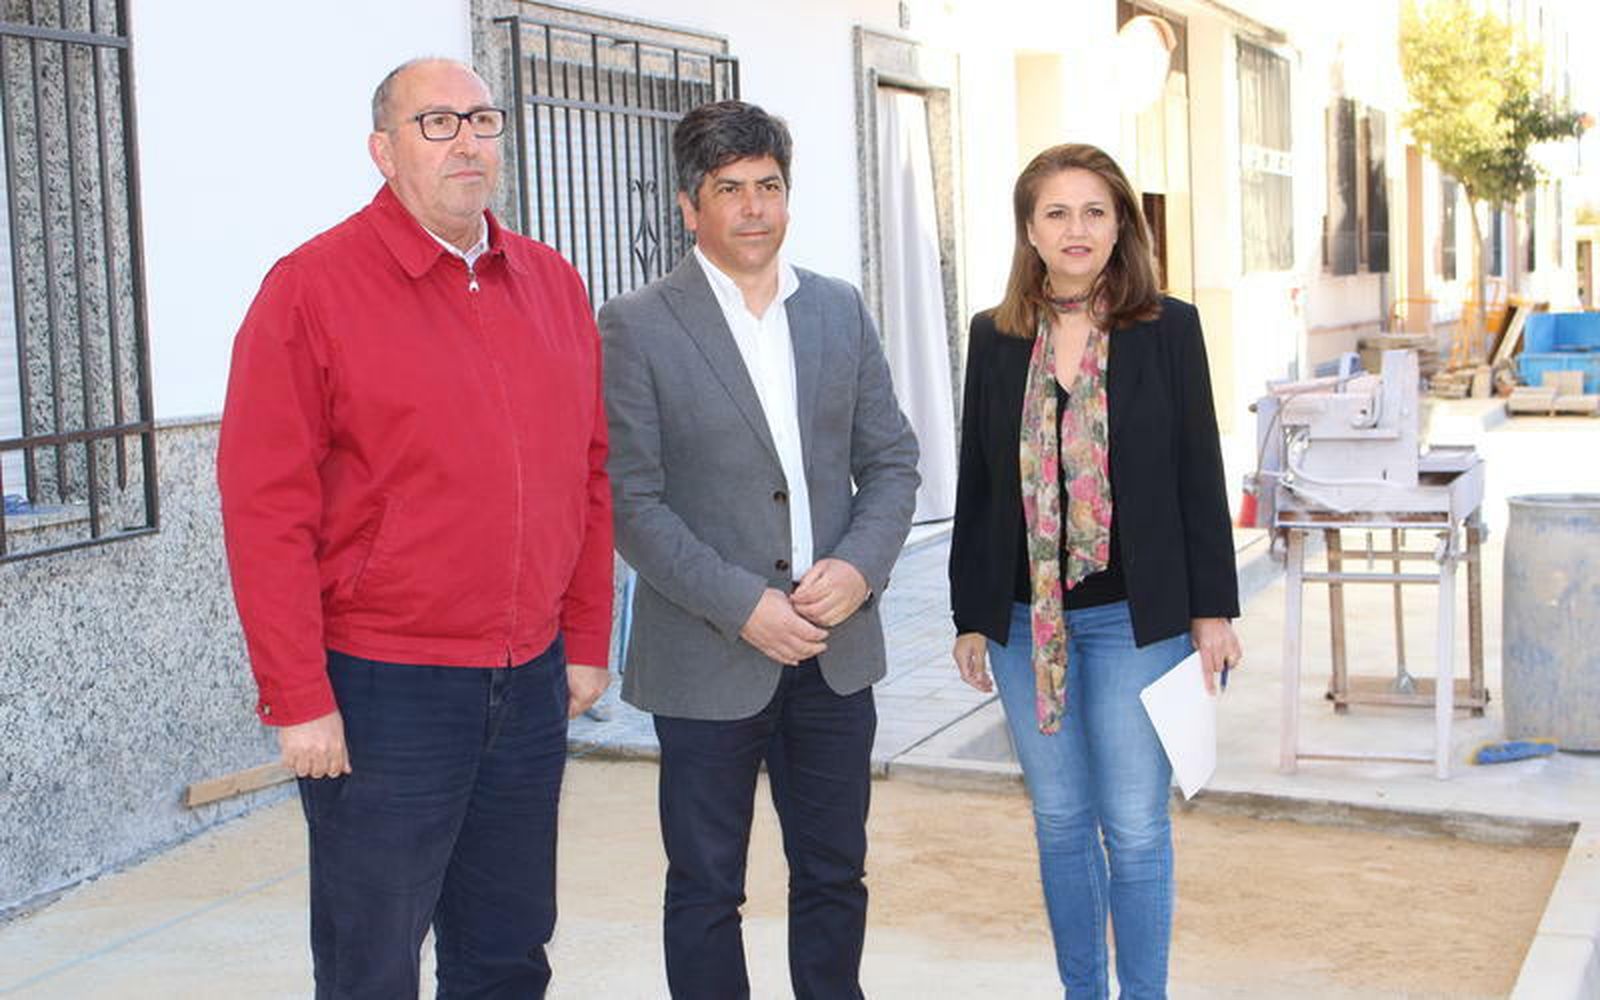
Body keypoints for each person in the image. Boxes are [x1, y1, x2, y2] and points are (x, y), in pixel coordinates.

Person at [217, 58, 612, 998]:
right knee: (372, 958)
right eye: (435, 123)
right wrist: (297, 693)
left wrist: (586, 637)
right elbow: (264, 504)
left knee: (508, 950)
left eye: (481, 118)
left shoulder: (553, 284)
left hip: (529, 680)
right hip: (385, 687)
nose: (467, 141)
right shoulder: (310, 289)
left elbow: (590, 473)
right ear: (382, 151)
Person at [600, 100, 919, 999]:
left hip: (834, 650)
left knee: (834, 875)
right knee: (704, 887)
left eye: (769, 187)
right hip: (708, 655)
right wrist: (744, 606)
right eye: (729, 189)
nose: (753, 209)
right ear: (686, 204)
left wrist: (859, 568)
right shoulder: (636, 323)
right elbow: (634, 499)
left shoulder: (838, 310)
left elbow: (892, 461)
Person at [948, 143, 1242, 999]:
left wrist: (1213, 610)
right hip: (1021, 619)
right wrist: (971, 615)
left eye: (1094, 212)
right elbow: (979, 482)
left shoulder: (1169, 329)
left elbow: (1198, 468)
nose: (1076, 230)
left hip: (1134, 618)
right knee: (1061, 822)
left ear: (1121, 226)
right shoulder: (994, 338)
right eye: (1056, 213)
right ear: (1029, 232)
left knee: (1138, 829)